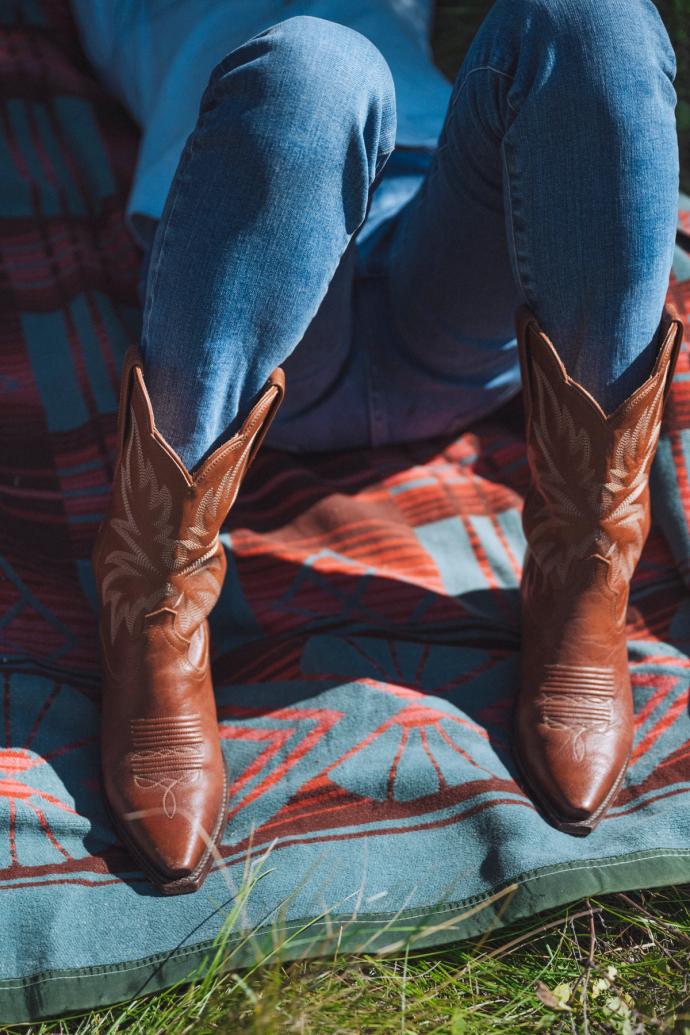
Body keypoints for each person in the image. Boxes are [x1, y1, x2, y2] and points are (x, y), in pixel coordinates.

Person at [73, 0, 684, 894]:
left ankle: (584, 570)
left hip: (451, 261)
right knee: (313, 66)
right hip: (269, 329)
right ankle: (152, 610)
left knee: (591, 13)